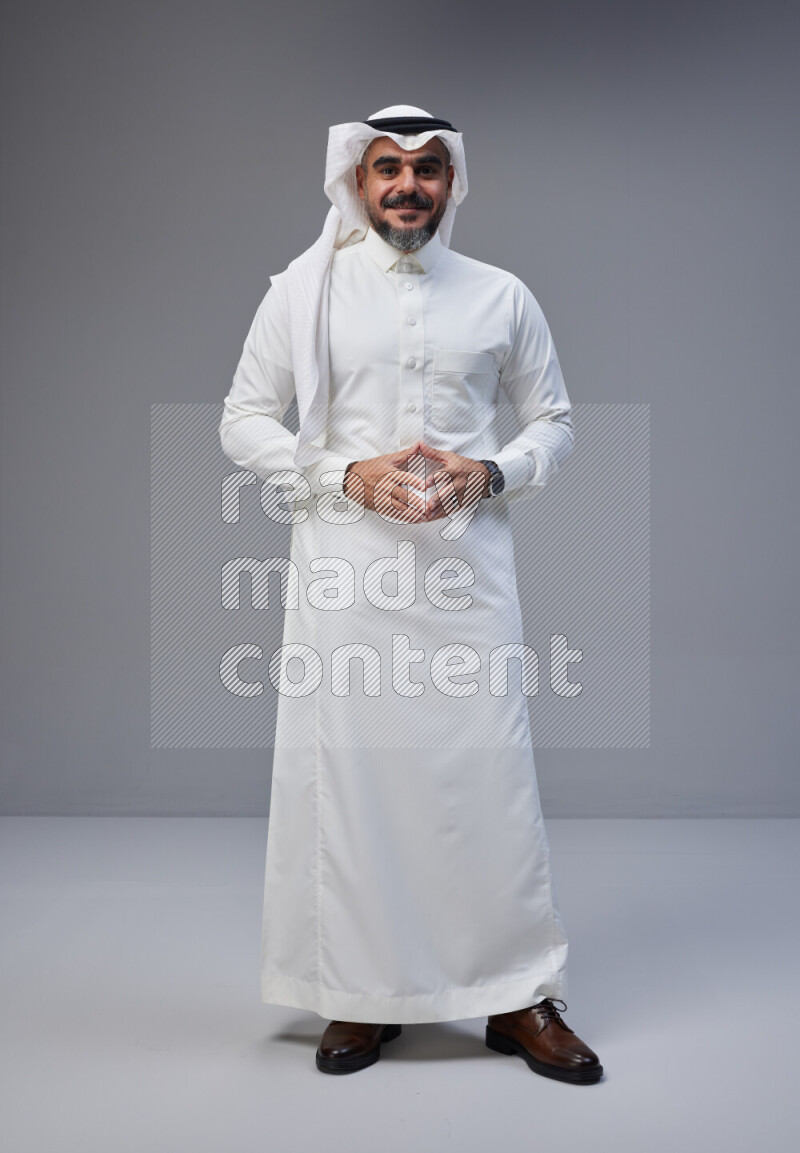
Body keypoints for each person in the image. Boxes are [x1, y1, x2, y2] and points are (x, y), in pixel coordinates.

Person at [219, 105, 603, 1084]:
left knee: (486, 779)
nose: (405, 186)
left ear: (451, 182)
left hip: (466, 573)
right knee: (353, 783)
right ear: (354, 177)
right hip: (345, 575)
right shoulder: (302, 293)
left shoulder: (499, 295)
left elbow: (553, 420)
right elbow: (244, 420)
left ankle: (515, 993)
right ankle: (359, 993)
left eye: (426, 169)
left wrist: (494, 471)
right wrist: (345, 474)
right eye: (386, 167)